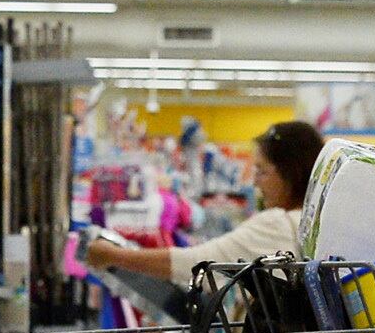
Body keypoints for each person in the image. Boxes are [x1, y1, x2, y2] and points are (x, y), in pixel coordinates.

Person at [86, 120, 321, 284]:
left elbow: (196, 264)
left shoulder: (277, 224)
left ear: (291, 173)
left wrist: (114, 256)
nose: (255, 183)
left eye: (261, 171)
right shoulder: (320, 223)